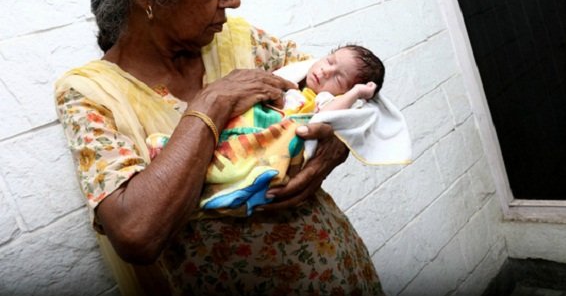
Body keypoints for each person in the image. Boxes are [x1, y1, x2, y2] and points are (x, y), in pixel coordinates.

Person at [54, 0, 388, 296]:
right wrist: (212, 105)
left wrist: (333, 144)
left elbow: (349, 92)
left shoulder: (237, 40)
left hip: (338, 270)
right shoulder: (91, 94)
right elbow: (136, 234)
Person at [146, 44, 387, 216]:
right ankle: (175, 151)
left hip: (275, 143)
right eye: (330, 61)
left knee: (249, 159)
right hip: (250, 128)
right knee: (228, 141)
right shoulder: (297, 75)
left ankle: (233, 188)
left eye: (338, 78)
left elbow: (332, 117)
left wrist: (355, 94)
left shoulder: (323, 100)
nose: (325, 71)